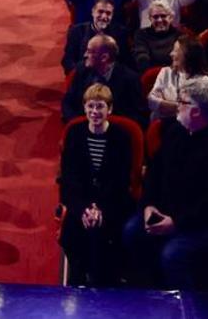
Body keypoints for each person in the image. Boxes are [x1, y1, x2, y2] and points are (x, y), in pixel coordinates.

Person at [122, 83, 208, 289]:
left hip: (202, 224)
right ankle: (147, 293)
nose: (177, 106)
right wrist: (149, 205)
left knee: (172, 254)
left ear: (195, 111)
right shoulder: (176, 131)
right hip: (166, 211)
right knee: (132, 231)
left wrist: (176, 222)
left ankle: (185, 306)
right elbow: (154, 172)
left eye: (182, 102)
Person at [59, 84, 136, 286]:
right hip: (81, 205)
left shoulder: (121, 137)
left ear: (109, 109)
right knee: (73, 236)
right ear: (84, 108)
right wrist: (84, 209)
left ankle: (101, 288)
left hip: (112, 204)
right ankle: (76, 288)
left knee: (102, 239)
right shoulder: (75, 134)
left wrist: (100, 210)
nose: (95, 112)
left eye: (100, 106)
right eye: (90, 106)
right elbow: (69, 180)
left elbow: (120, 181)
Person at [63, 33, 144, 124]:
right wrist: (78, 125)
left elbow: (138, 115)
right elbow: (68, 104)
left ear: (104, 57)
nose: (85, 55)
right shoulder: (81, 70)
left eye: (90, 51)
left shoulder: (130, 79)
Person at [148, 35, 208, 121]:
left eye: (175, 50)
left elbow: (202, 113)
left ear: (187, 55)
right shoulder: (166, 73)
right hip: (165, 125)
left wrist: (165, 105)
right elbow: (151, 101)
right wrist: (181, 107)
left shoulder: (204, 82)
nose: (171, 54)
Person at [62, 0, 128, 74]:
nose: (104, 17)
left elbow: (125, 61)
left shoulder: (120, 33)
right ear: (93, 12)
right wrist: (82, 70)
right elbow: (67, 61)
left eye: (108, 13)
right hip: (83, 76)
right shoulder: (76, 32)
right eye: (100, 12)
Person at [132, 2, 179, 73]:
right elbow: (141, 57)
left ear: (170, 18)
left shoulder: (179, 35)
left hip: (175, 74)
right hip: (150, 75)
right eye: (155, 17)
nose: (159, 20)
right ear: (150, 19)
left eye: (163, 16)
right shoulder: (141, 34)